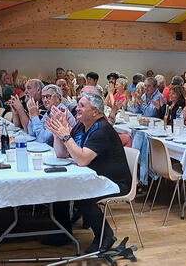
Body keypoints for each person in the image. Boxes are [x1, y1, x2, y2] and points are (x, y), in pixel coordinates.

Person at [42, 92, 132, 253]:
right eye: (78, 104)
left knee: (82, 194)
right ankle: (64, 233)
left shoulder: (102, 129)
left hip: (116, 182)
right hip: (95, 177)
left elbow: (82, 159)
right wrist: (58, 132)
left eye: (82, 106)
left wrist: (65, 136)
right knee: (61, 187)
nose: (77, 108)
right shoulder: (81, 125)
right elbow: (61, 154)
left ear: (95, 111)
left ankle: (105, 236)